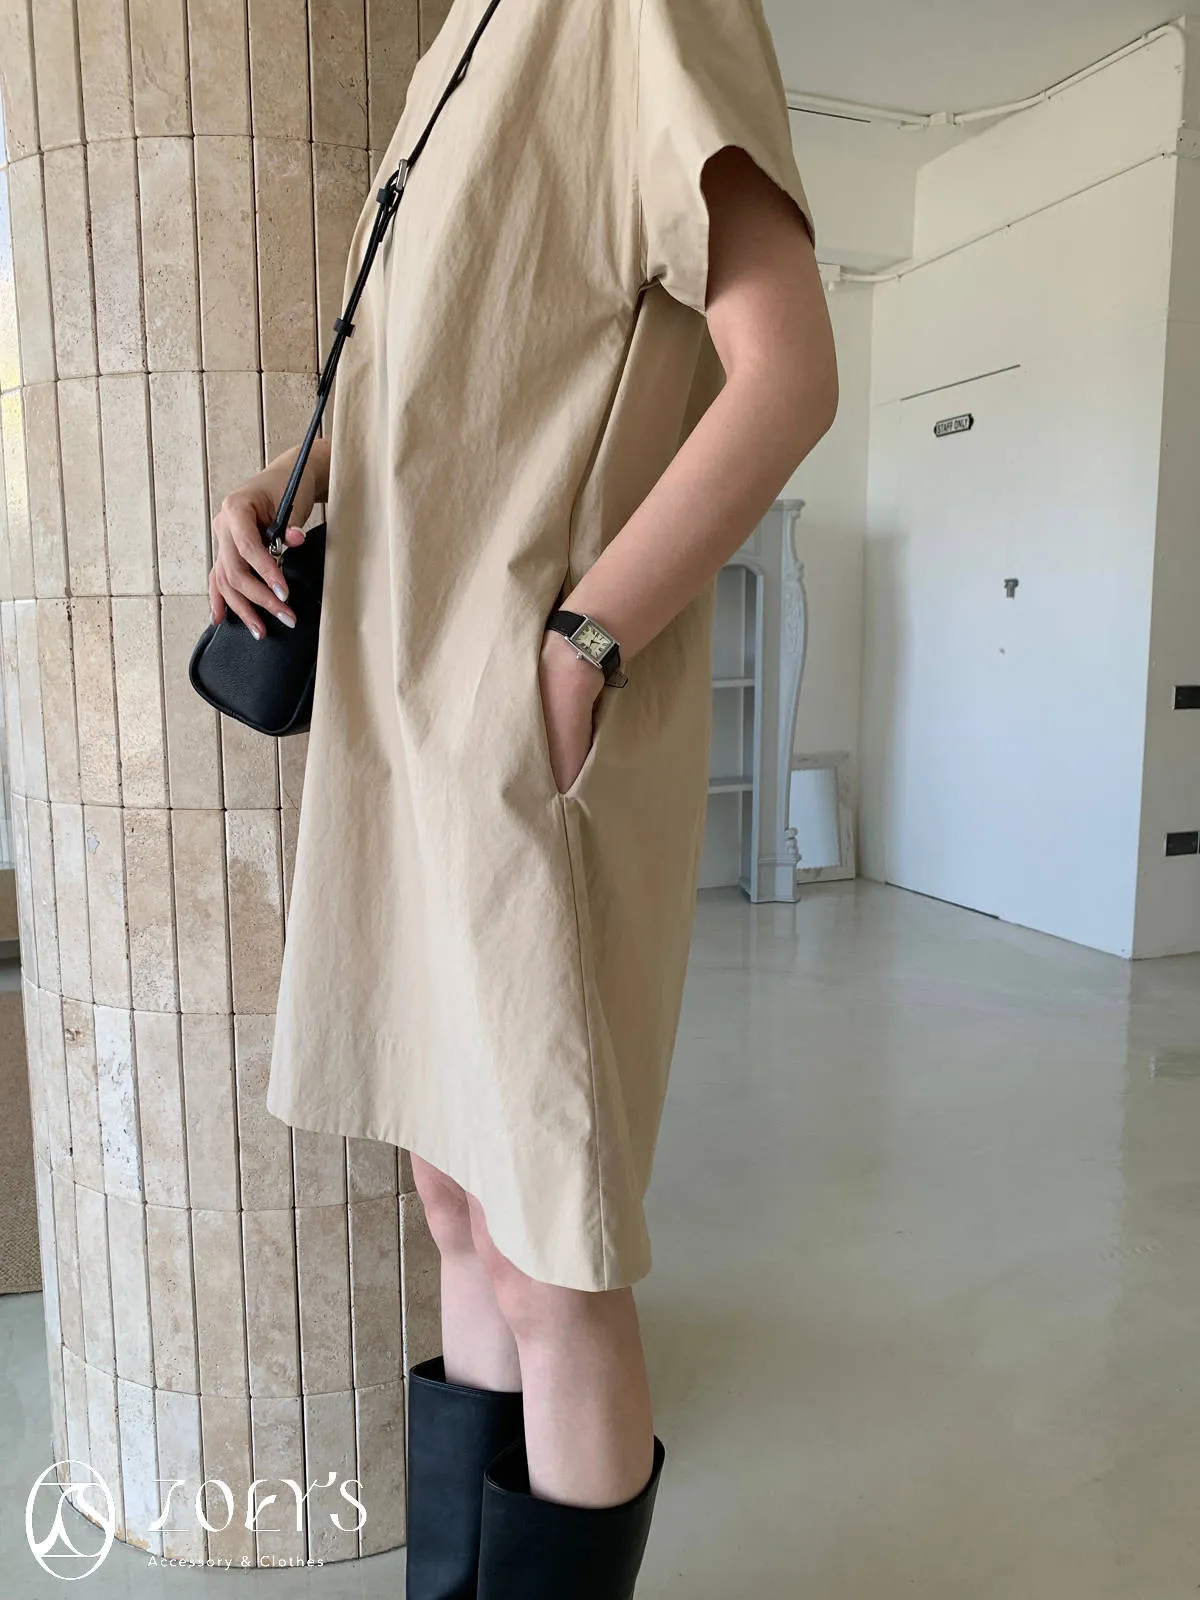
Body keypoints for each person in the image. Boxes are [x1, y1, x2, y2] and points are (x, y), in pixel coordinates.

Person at [208, 1, 837, 1594]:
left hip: (512, 734)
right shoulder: (452, 49)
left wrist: (582, 650)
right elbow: (425, 383)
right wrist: (289, 480)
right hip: (398, 727)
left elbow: (788, 377)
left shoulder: (635, 11)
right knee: (455, 1199)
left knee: (551, 1250)